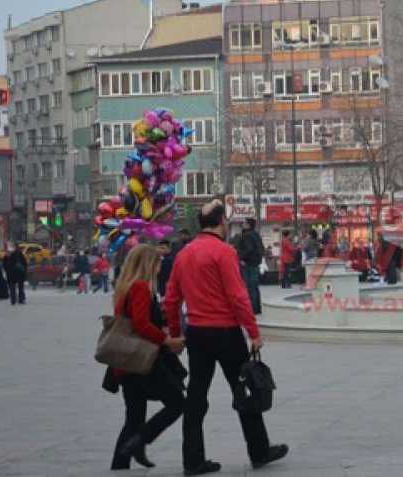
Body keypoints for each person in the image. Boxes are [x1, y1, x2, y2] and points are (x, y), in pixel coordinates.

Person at [163, 200, 288, 475]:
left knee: (196, 397)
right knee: (244, 389)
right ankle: (259, 450)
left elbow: (171, 300)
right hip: (227, 333)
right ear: (221, 222)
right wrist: (253, 332)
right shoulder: (223, 252)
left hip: (197, 334)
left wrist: (175, 334)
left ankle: (193, 460)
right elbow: (237, 296)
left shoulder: (183, 255)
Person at [106, 244, 187, 471]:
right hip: (142, 361)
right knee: (177, 403)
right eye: (158, 262)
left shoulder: (125, 287)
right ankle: (140, 441)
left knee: (133, 418)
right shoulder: (141, 287)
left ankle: (120, 463)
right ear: (148, 263)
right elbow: (141, 325)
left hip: (125, 364)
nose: (161, 266)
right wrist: (167, 341)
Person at [234, 218, 265, 315]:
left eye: (244, 223)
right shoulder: (256, 235)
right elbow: (261, 248)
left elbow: (248, 249)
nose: (242, 224)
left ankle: (250, 309)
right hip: (255, 263)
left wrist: (240, 258)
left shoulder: (247, 235)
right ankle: (256, 308)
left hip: (248, 263)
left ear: (248, 225)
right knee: (254, 286)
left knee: (248, 287)